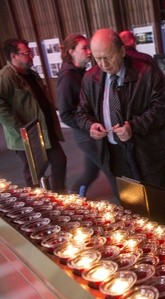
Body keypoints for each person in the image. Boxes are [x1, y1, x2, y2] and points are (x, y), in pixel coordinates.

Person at [76, 28, 165, 192]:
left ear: (121, 51)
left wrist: (133, 127)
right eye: (97, 59)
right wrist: (90, 125)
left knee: (157, 205)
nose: (103, 64)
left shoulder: (147, 73)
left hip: (146, 152)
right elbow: (81, 113)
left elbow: (161, 108)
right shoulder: (90, 78)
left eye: (108, 57)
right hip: (113, 154)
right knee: (128, 205)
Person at [0, 39, 67, 193]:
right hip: (26, 135)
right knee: (35, 172)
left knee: (59, 161)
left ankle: (59, 196)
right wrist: (18, 127)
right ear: (14, 56)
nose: (32, 56)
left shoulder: (32, 74)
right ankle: (39, 202)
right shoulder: (6, 77)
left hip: (45, 129)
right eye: (27, 53)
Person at [57, 34, 118, 199]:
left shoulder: (80, 73)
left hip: (92, 131)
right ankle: (126, 204)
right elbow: (65, 113)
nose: (89, 52)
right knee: (112, 169)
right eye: (84, 48)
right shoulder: (68, 78)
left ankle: (74, 196)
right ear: (71, 51)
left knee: (90, 173)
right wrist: (88, 125)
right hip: (87, 135)